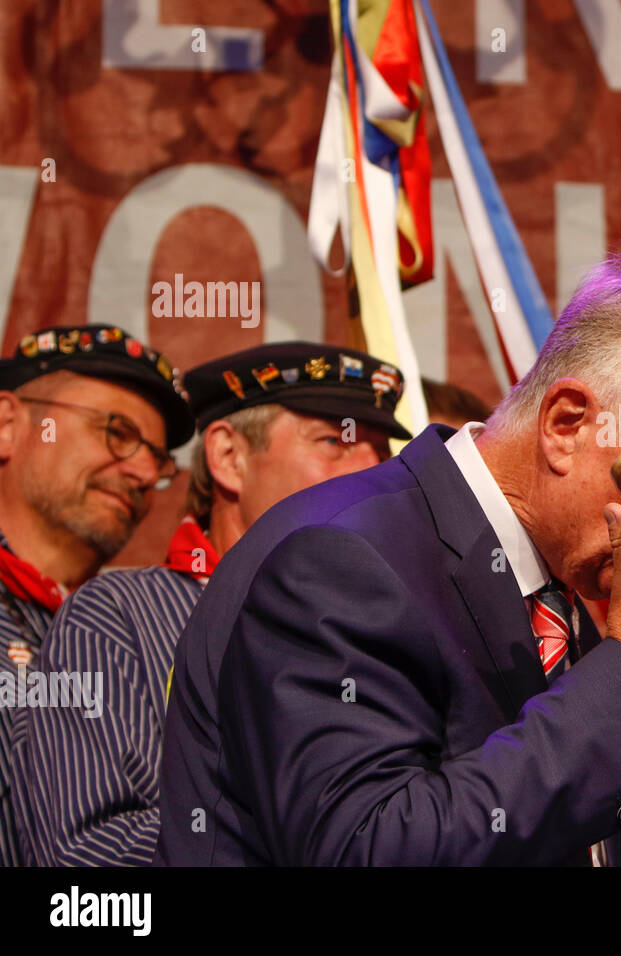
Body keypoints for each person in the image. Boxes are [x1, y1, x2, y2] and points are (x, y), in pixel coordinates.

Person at [153, 250, 621, 866]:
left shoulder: (555, 588)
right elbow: (366, 846)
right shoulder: (343, 555)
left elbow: (572, 848)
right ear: (565, 425)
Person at [14, 342, 411, 865]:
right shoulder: (120, 616)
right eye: (334, 441)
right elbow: (85, 856)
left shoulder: (400, 633)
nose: (372, 467)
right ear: (228, 457)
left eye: (382, 452)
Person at [0, 324, 192, 866]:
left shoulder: (135, 635)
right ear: (7, 424)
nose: (142, 471)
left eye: (158, 458)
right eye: (117, 431)